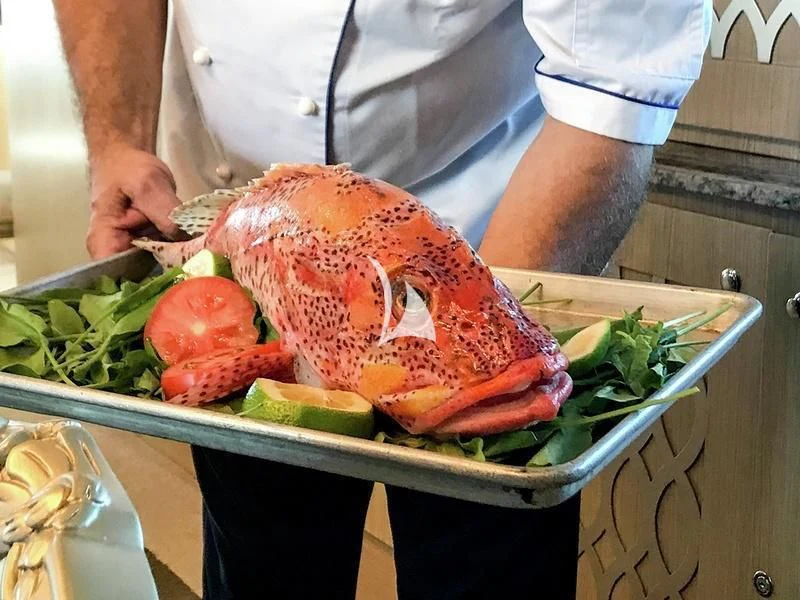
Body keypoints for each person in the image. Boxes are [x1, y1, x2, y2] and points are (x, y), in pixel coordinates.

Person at [52, 2, 712, 599]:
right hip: (252, 263)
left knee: (482, 570)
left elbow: (611, 88)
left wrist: (479, 336)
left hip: (492, 240)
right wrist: (115, 143)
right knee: (264, 567)